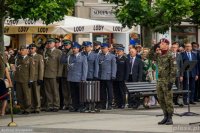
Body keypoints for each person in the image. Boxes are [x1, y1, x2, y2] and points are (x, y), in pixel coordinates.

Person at [148, 38, 176, 125]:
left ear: (167, 45)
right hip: (159, 81)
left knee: (168, 100)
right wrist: (154, 46)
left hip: (167, 81)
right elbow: (149, 56)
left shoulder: (171, 55)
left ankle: (170, 117)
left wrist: (171, 81)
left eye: (163, 43)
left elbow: (174, 69)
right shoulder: (159, 55)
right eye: (160, 43)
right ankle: (165, 116)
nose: (161, 44)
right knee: (161, 99)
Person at [64, 42, 88, 112]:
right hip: (71, 78)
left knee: (81, 93)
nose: (73, 50)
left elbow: (85, 69)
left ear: (78, 49)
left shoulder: (83, 57)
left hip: (79, 78)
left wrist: (83, 78)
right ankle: (75, 106)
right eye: (72, 48)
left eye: (75, 48)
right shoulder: (70, 57)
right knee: (73, 93)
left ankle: (82, 106)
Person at [43, 38, 63, 112]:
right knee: (48, 91)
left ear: (54, 43)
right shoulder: (46, 51)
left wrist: (59, 74)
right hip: (46, 73)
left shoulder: (58, 52)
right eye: (48, 43)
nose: (49, 44)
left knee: (55, 91)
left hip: (54, 74)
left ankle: (56, 105)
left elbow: (60, 64)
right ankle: (50, 105)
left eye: (50, 43)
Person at [14, 45, 35, 114]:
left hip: (26, 80)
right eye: (21, 50)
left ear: (27, 51)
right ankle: (22, 108)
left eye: (23, 50)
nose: (21, 51)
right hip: (18, 79)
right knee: (19, 95)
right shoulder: (18, 59)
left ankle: (27, 109)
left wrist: (31, 80)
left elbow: (32, 70)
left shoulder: (30, 59)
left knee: (27, 95)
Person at [97, 43, 117, 110]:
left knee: (110, 91)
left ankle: (110, 104)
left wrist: (113, 75)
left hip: (109, 76)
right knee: (102, 91)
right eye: (102, 48)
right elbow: (98, 67)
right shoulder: (99, 56)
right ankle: (103, 104)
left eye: (104, 48)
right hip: (102, 76)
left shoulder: (112, 56)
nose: (102, 49)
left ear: (108, 48)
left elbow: (114, 67)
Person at [28, 43, 44, 113]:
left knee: (37, 93)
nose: (30, 50)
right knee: (30, 93)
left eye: (32, 48)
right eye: (29, 48)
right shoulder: (28, 57)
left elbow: (41, 68)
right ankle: (31, 107)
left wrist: (40, 78)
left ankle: (37, 107)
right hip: (29, 78)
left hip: (36, 77)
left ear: (35, 49)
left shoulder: (39, 56)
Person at [60, 39, 73, 110]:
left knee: (70, 89)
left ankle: (71, 103)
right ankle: (66, 103)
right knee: (64, 90)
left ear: (70, 45)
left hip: (70, 73)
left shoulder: (72, 52)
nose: (65, 46)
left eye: (67, 45)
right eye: (64, 45)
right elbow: (62, 61)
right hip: (63, 73)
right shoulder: (63, 52)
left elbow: (67, 61)